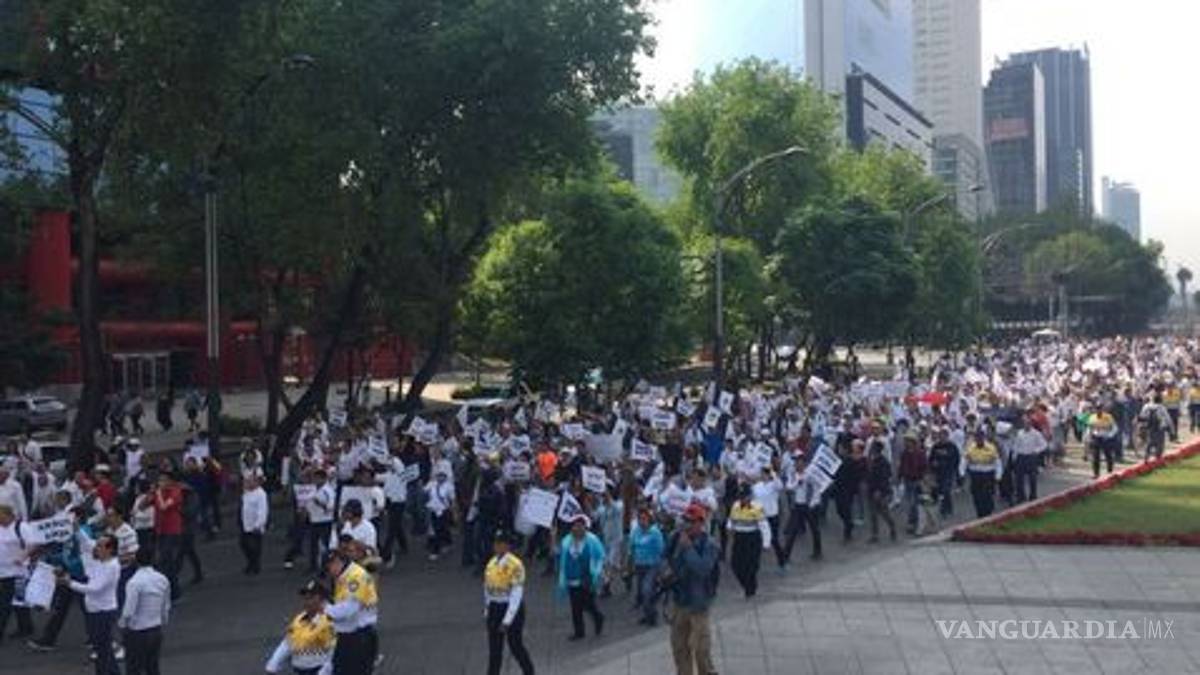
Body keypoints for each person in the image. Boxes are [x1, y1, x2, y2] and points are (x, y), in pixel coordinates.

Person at [668, 503, 719, 675]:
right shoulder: (676, 537)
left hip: (699, 602)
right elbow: (664, 556)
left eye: (691, 521)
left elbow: (703, 569)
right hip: (680, 600)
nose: (687, 525)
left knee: (701, 649)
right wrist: (665, 571)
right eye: (685, 520)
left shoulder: (709, 544)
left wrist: (688, 548)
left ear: (701, 523)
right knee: (679, 646)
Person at [63, 529, 121, 675]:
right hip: (96, 610)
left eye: (100, 546)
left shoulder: (111, 566)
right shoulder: (102, 561)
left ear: (110, 549)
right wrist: (77, 529)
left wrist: (70, 583)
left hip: (103, 612)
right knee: (101, 648)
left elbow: (95, 589)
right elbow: (87, 543)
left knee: (103, 649)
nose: (96, 548)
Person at [483, 531, 535, 675]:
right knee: (494, 649)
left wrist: (507, 620)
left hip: (511, 608)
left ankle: (529, 671)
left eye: (500, 543)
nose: (496, 546)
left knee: (515, 645)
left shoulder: (515, 565)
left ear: (507, 545)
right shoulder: (491, 563)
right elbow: (486, 588)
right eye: (495, 543)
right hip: (495, 607)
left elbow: (516, 594)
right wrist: (487, 609)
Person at [323, 551, 378, 674]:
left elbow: (348, 610)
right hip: (350, 636)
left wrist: (324, 608)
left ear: (337, 562)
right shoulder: (344, 577)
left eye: (328, 569)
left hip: (359, 637)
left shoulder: (355, 577)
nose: (328, 574)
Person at [266, 579, 337, 675]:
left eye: (311, 598)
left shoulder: (329, 621)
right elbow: (288, 643)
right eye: (305, 597)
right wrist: (273, 665)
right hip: (299, 670)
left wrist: (324, 672)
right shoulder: (299, 619)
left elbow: (335, 652)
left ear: (323, 600)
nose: (306, 601)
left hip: (318, 669)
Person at [119, 547, 171, 675]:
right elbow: (165, 606)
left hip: (138, 632)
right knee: (153, 667)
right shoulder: (162, 579)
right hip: (156, 629)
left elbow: (129, 610)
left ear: (136, 561)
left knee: (134, 668)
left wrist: (122, 625)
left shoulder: (134, 582)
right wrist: (162, 621)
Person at [556, 514, 605, 640]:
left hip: (587, 578)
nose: (576, 529)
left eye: (579, 526)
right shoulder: (566, 541)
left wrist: (598, 573)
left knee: (588, 604)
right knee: (575, 606)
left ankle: (598, 617)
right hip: (572, 578)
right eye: (574, 526)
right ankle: (579, 632)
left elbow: (600, 557)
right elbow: (559, 555)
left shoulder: (592, 540)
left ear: (585, 527)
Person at [0, 504, 37, 644]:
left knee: (5, 603)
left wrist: (23, 556)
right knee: (18, 601)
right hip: (2, 570)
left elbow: (33, 544)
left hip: (17, 571)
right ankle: (26, 627)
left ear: (9, 515)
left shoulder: (21, 527)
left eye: (1, 516)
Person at [726, 483, 770, 598]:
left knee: (752, 565)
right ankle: (747, 585)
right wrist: (729, 527)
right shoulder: (736, 505)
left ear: (750, 496)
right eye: (741, 496)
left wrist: (766, 543)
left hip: (752, 538)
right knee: (735, 564)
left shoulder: (757, 507)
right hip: (739, 538)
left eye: (745, 496)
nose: (743, 499)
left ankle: (750, 588)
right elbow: (731, 519)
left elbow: (764, 526)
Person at [628, 507, 665, 626]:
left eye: (644, 519)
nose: (641, 521)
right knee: (642, 592)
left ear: (649, 519)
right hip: (639, 566)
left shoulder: (655, 533)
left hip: (652, 566)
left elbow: (661, 551)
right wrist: (629, 565)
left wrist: (661, 570)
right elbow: (632, 548)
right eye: (639, 519)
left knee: (646, 590)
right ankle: (648, 614)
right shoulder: (636, 531)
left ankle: (652, 616)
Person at [962, 430, 1003, 518]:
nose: (979, 440)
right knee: (976, 495)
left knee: (987, 495)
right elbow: (964, 460)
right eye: (977, 438)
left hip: (988, 474)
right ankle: (980, 513)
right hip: (975, 475)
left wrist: (998, 475)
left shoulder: (991, 448)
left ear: (984, 438)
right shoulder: (970, 448)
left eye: (980, 438)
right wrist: (962, 473)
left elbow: (997, 462)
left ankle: (988, 511)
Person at [865, 441, 897, 543]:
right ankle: (875, 534)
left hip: (880, 491)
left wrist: (879, 490)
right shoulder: (872, 460)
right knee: (873, 514)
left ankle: (892, 527)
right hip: (872, 490)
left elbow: (884, 477)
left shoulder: (883, 462)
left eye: (873, 448)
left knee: (884, 512)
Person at [1012, 415, 1048, 503]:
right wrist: (1014, 457)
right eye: (1024, 423)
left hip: (1031, 457)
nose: (1026, 425)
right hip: (1021, 456)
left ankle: (1033, 496)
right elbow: (1016, 445)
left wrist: (1036, 451)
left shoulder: (1036, 433)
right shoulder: (1019, 433)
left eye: (1028, 423)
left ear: (1031, 424)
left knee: (1032, 478)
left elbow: (1044, 444)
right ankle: (1021, 496)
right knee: (1019, 478)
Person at [241, 475, 269, 575]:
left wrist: (258, 524)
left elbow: (262, 510)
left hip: (255, 526)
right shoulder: (246, 493)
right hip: (246, 524)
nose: (246, 483)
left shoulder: (261, 494)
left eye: (249, 481)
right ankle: (251, 563)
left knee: (255, 547)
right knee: (244, 544)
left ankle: (255, 566)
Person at [1087, 404, 1120, 478]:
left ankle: (1110, 472)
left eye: (1100, 409)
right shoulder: (1092, 417)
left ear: (1102, 409)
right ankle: (1096, 473)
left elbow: (1115, 428)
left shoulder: (1108, 417)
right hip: (1096, 438)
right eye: (1097, 409)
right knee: (1095, 456)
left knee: (1108, 455)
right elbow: (1089, 428)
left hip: (1106, 438)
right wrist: (1089, 436)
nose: (1098, 410)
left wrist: (1110, 435)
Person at [1139, 394, 1171, 461]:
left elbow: (1141, 416)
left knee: (1149, 441)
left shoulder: (1146, 406)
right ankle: (1158, 457)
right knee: (1160, 442)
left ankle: (1147, 455)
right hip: (1159, 427)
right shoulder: (1161, 407)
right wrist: (1171, 428)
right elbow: (1167, 418)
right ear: (1160, 400)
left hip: (1148, 426)